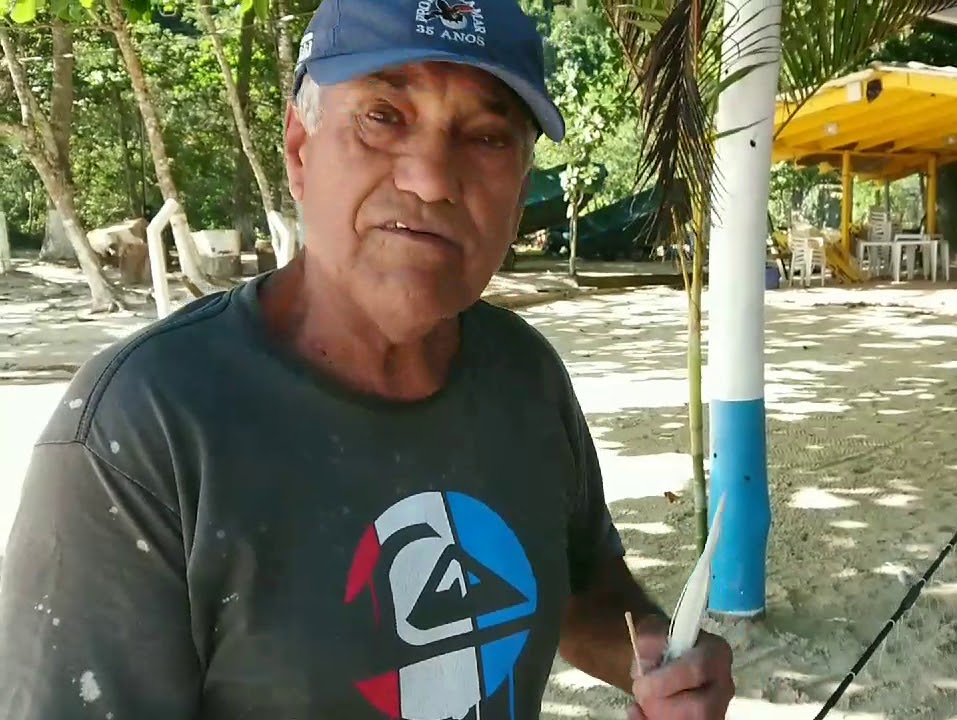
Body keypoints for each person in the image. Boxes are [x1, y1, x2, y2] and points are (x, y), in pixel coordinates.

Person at [0, 0, 735, 717]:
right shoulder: (141, 429)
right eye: (384, 118)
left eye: (485, 138)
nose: (432, 180)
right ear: (298, 150)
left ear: (517, 194)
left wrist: (660, 664)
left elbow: (582, 588)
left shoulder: (525, 376)